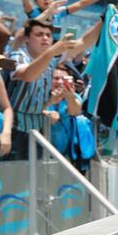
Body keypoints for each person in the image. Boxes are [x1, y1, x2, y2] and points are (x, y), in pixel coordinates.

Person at [6, 19, 94, 157]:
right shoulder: (18, 55)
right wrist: (52, 51)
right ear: (27, 39)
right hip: (15, 130)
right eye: (39, 34)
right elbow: (28, 75)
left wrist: (103, 20)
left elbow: (83, 42)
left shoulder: (51, 58)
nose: (45, 38)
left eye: (48, 35)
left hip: (39, 131)